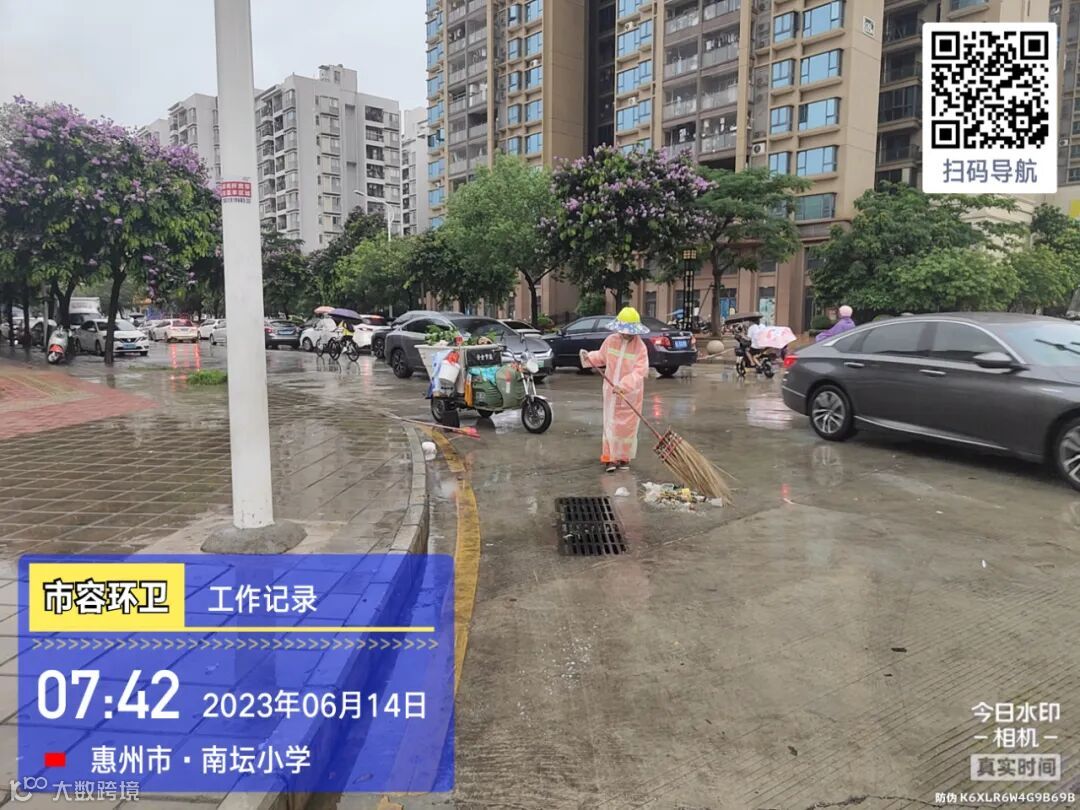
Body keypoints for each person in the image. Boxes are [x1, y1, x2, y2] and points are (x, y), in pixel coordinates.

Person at [580, 307, 650, 473]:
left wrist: (624, 385)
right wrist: (588, 357)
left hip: (630, 394)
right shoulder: (611, 341)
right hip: (611, 392)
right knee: (610, 424)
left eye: (629, 332)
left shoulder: (640, 348)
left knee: (627, 428)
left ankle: (623, 458)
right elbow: (601, 356)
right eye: (623, 331)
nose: (626, 334)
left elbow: (640, 372)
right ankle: (609, 458)